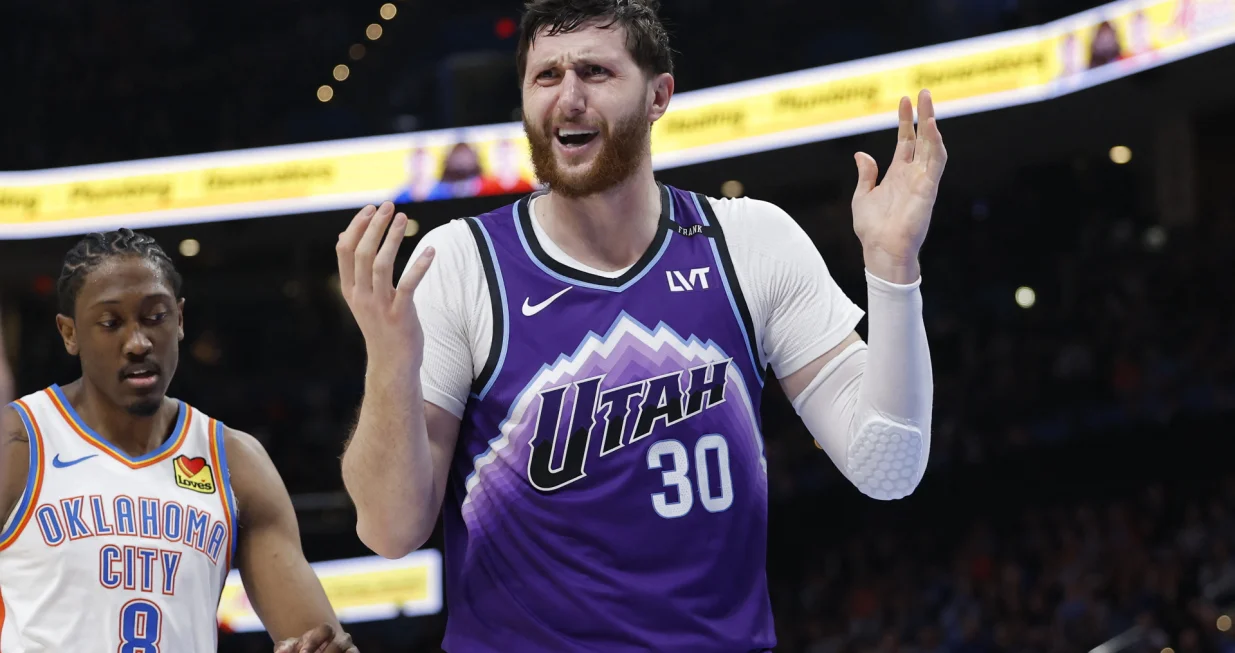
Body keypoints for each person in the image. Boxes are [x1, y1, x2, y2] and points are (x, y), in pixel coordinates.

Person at [337, 0, 941, 650]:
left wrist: (891, 268)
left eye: (595, 72)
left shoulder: (748, 241)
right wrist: (389, 361)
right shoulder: (461, 263)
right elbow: (389, 531)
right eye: (546, 77)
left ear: (658, 96)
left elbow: (889, 467)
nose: (567, 98)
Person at [0, 229, 357, 653]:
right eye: (111, 323)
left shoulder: (234, 461)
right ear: (69, 333)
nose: (138, 342)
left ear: (180, 319)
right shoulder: (19, 442)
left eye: (155, 317)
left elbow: (321, 639)